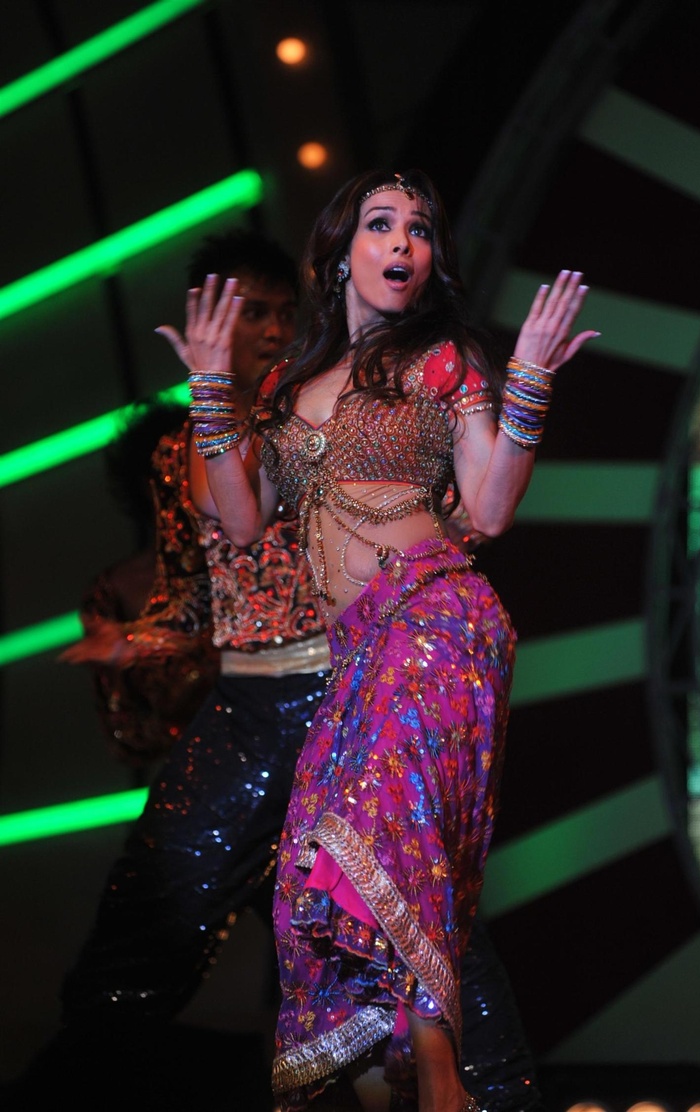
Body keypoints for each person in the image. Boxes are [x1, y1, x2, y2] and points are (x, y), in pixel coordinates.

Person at [7, 223, 545, 1111]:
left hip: (347, 698)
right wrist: (137, 640)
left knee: (415, 918)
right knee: (144, 924)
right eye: (240, 311)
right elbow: (194, 593)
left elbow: (453, 517)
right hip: (243, 719)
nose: (261, 327)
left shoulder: (346, 404)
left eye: (274, 311)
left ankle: (495, 1097)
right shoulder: (188, 445)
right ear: (206, 319)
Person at [170, 169, 598, 1112]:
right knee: (324, 873)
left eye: (420, 229)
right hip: (356, 656)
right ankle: (402, 1075)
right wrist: (210, 388)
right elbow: (238, 518)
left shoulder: (444, 360)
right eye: (381, 224)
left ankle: (438, 1071)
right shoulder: (284, 387)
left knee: (380, 828)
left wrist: (527, 378)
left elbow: (490, 507)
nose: (404, 242)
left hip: (438, 621)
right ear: (340, 254)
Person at [68, 397, 219, 771]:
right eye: (170, 472)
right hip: (194, 776)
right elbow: (125, 736)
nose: (184, 488)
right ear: (143, 486)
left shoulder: (245, 558)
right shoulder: (112, 593)